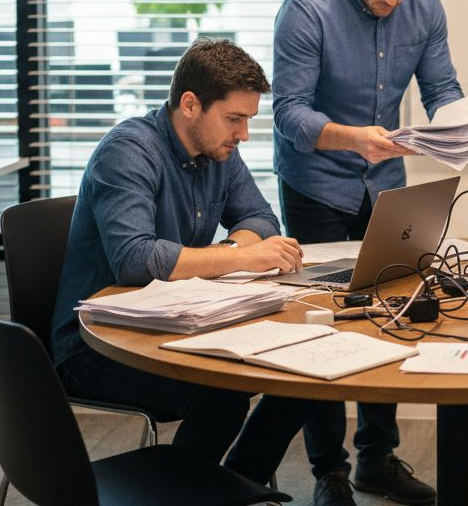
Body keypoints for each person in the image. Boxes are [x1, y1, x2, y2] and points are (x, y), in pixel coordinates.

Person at [48, 38, 315, 486]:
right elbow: (135, 259)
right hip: (96, 345)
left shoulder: (218, 152)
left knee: (307, 373)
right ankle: (191, 495)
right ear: (190, 104)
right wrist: (241, 257)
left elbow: (261, 218)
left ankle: (233, 485)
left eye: (248, 120)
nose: (244, 134)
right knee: (219, 401)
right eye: (235, 119)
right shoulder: (128, 151)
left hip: (172, 323)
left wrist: (232, 252)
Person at [273, 0, 461, 506]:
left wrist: (460, 123)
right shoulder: (307, 8)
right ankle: (328, 472)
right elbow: (289, 113)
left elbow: (441, 87)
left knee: (392, 310)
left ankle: (375, 461)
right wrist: (355, 136)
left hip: (387, 183)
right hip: (317, 183)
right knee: (323, 320)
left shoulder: (424, 4)